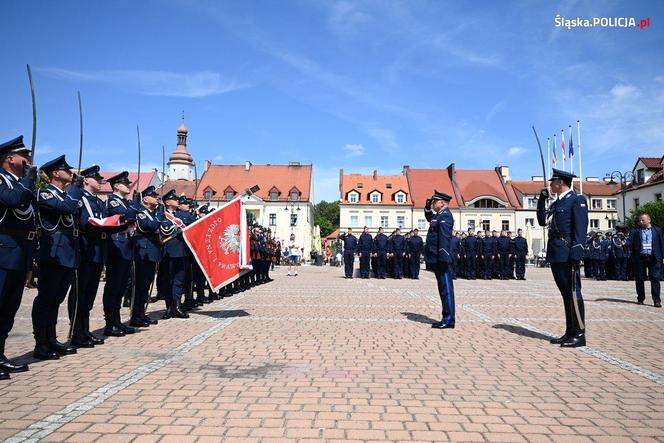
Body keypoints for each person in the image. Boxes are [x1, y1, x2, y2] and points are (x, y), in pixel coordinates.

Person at [32, 155, 83, 360]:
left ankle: (52, 338)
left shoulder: (65, 194)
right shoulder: (45, 193)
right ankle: (41, 343)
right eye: (65, 170)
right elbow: (66, 208)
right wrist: (76, 189)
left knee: (56, 299)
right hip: (53, 253)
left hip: (68, 253)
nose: (70, 173)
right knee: (46, 298)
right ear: (55, 173)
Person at [537, 168, 588, 347]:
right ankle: (570, 331)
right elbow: (543, 221)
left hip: (568, 253)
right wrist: (542, 199)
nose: (550, 185)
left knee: (574, 293)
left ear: (560, 183)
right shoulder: (557, 203)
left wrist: (577, 251)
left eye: (552, 182)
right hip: (556, 253)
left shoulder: (577, 200)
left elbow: (580, 229)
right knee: (565, 294)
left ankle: (579, 334)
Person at [0, 136, 36, 378]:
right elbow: (11, 201)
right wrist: (27, 181)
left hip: (20, 251)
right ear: (10, 158)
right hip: (3, 250)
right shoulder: (3, 181)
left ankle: (0, 354)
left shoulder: (20, 183)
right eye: (25, 156)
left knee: (8, 308)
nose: (29, 161)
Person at [424, 191, 455, 329]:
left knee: (446, 289)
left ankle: (448, 319)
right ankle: (446, 317)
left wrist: (443, 257)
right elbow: (430, 217)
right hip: (437, 258)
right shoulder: (438, 216)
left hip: (442, 259)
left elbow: (444, 239)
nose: (433, 203)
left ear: (442, 203)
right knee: (442, 288)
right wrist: (427, 208)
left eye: (434, 201)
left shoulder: (446, 216)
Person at [627, 213, 663, 307]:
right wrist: (625, 243)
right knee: (639, 279)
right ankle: (640, 298)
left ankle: (656, 300)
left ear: (649, 220)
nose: (640, 222)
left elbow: (661, 244)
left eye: (643, 220)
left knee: (655, 278)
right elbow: (630, 242)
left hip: (654, 257)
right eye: (640, 220)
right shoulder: (635, 231)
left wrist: (662, 257)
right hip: (640, 257)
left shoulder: (657, 230)